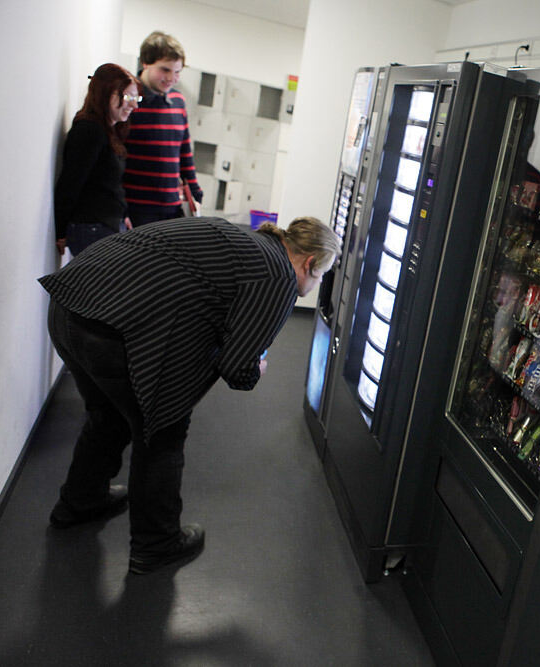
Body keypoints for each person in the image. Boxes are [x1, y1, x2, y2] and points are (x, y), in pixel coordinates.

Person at [39, 216, 341, 574]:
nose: (315, 283)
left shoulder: (249, 241)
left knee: (109, 416)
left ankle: (80, 503)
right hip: (110, 330)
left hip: (70, 305)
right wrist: (255, 367)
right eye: (321, 275)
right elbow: (238, 369)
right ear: (310, 263)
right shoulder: (278, 276)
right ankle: (156, 545)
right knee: (162, 430)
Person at [53, 64, 140, 256]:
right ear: (105, 94)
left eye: (136, 98)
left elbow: (110, 185)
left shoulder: (110, 131)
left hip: (106, 226)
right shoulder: (89, 131)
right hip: (91, 228)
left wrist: (122, 215)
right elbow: (70, 183)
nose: (134, 105)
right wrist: (59, 230)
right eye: (127, 97)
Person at [124, 31, 203, 226]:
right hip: (136, 208)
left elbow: (184, 152)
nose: (172, 78)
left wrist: (194, 191)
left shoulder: (178, 101)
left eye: (177, 72)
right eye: (165, 70)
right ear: (145, 63)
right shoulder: (129, 100)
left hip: (171, 209)